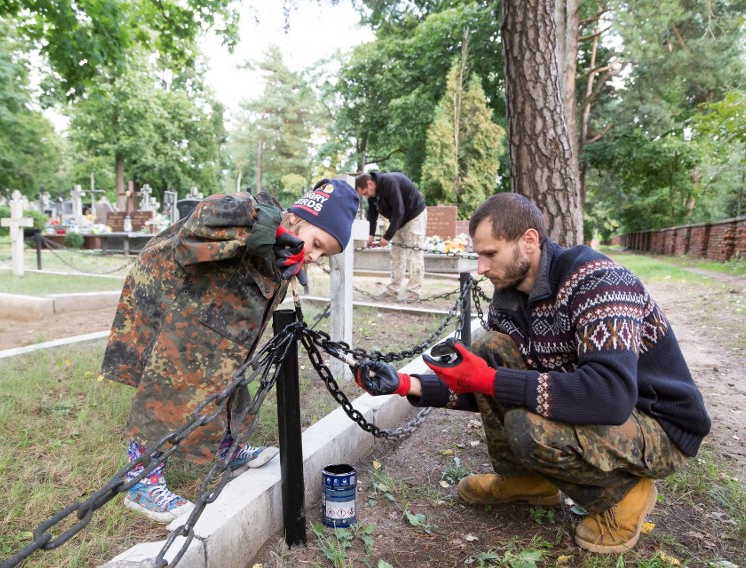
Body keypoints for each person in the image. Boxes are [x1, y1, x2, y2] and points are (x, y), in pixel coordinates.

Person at [352, 192, 710, 553]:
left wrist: (489, 380)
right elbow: (487, 389)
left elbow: (611, 396)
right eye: (478, 255)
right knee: (490, 347)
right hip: (604, 408)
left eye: (490, 254)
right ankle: (528, 481)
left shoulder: (599, 282)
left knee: (527, 429)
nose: (480, 267)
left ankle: (625, 495)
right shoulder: (508, 302)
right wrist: (404, 384)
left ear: (529, 240)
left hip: (658, 422)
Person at [99, 179, 359, 523]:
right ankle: (142, 481)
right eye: (317, 243)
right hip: (182, 306)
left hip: (221, 328)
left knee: (229, 380)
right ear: (300, 217)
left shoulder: (284, 252)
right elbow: (202, 220)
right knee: (169, 388)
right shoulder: (251, 213)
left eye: (323, 254)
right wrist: (265, 229)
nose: (314, 254)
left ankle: (227, 449)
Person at [355, 171, 427, 300]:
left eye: (365, 193)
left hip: (414, 216)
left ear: (370, 183)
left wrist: (387, 237)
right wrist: (370, 234)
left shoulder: (389, 183)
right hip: (398, 218)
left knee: (414, 253)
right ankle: (393, 290)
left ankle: (414, 293)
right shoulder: (372, 194)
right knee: (396, 255)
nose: (365, 197)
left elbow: (399, 211)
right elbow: (372, 213)